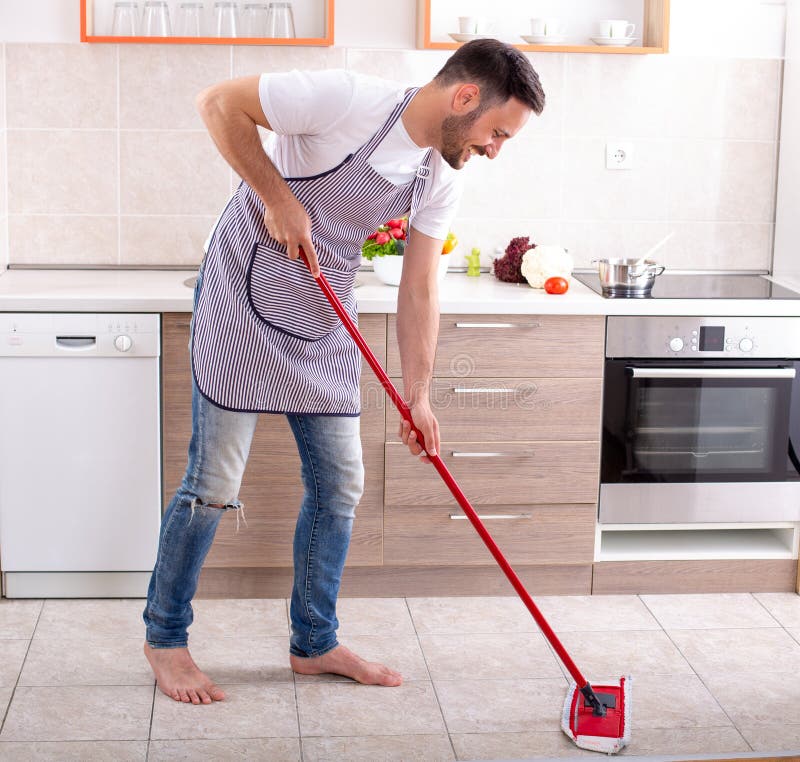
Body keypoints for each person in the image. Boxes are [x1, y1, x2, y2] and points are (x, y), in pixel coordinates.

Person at [142, 38, 545, 705]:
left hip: (323, 311)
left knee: (340, 484)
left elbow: (420, 287)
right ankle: (165, 637)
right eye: (496, 133)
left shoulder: (441, 174)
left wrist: (419, 395)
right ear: (465, 97)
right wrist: (275, 196)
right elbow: (217, 104)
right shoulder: (346, 99)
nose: (494, 149)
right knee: (214, 481)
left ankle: (314, 640)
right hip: (243, 291)